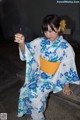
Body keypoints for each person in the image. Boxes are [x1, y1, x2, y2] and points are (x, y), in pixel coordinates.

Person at [14, 14, 80, 120]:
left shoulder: (66, 48)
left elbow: (68, 68)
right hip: (38, 73)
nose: (47, 34)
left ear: (59, 28)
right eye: (45, 31)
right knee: (24, 90)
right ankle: (33, 112)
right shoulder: (41, 41)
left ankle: (37, 116)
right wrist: (21, 43)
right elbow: (27, 50)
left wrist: (66, 86)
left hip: (53, 78)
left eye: (51, 31)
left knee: (36, 95)